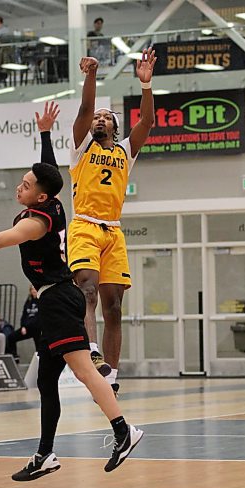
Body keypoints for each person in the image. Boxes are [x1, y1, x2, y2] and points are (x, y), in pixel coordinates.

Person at [0, 145, 143, 479]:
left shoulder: (36, 223)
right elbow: (48, 169)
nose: (20, 187)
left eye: (27, 185)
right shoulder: (53, 201)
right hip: (54, 300)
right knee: (46, 381)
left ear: (42, 198)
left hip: (59, 298)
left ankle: (123, 431)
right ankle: (45, 454)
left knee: (86, 371)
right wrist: (45, 132)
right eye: (22, 181)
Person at [68, 48, 155, 394]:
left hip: (113, 231)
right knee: (87, 291)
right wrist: (91, 76)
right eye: (97, 117)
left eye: (107, 117)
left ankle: (111, 376)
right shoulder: (81, 147)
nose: (100, 119)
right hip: (85, 226)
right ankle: (92, 352)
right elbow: (85, 109)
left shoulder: (124, 153)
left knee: (114, 308)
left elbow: (147, 123)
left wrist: (146, 86)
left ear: (116, 128)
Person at [7, 285, 41, 361]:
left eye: (35, 289)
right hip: (27, 328)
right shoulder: (28, 301)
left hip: (38, 328)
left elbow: (41, 316)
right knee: (11, 337)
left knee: (40, 347)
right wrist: (23, 326)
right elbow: (24, 315)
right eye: (32, 289)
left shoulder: (42, 299)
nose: (34, 291)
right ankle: (15, 357)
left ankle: (40, 360)